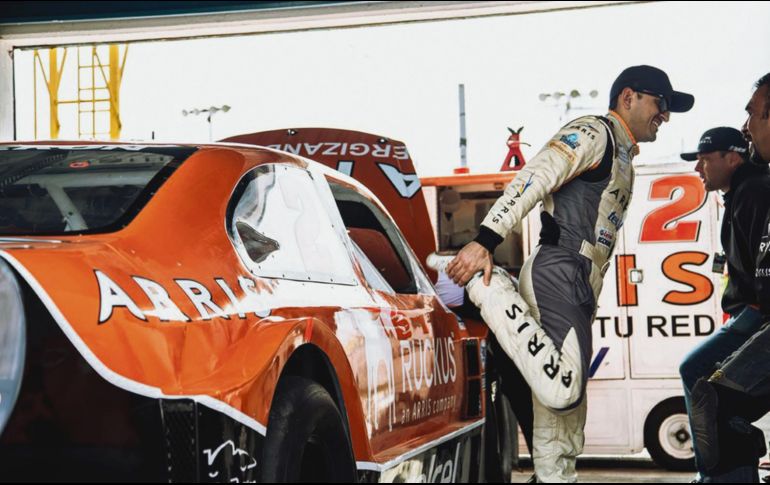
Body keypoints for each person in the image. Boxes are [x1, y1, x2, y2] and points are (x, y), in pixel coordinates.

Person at [440, 65, 694, 482]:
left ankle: (555, 478)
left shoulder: (624, 154)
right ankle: (492, 292)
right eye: (661, 103)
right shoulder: (595, 132)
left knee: (566, 422)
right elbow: (534, 177)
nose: (665, 115)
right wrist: (485, 240)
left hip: (580, 283)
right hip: (558, 270)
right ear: (627, 98)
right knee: (563, 390)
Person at [687, 72, 770, 483]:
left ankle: (721, 475)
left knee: (700, 379)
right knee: (705, 383)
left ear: (732, 159)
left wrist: (753, 310)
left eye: (706, 158)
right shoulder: (740, 193)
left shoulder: (753, 192)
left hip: (758, 313)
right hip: (749, 312)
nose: (700, 167)